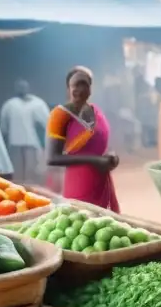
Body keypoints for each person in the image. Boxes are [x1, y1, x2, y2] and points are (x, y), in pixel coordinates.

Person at [45, 68, 120, 211]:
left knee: (104, 226)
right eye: (76, 84)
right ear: (68, 88)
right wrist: (94, 160)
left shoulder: (96, 112)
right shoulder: (60, 115)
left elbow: (101, 145)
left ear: (90, 89)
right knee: (80, 224)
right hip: (78, 184)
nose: (80, 89)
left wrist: (112, 156)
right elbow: (52, 158)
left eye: (84, 84)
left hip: (101, 183)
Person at [0, 79, 50, 184]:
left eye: (24, 86)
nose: (22, 88)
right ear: (15, 89)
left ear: (28, 88)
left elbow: (48, 122)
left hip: (31, 143)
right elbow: (3, 126)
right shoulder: (9, 104)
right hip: (15, 144)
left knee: (31, 174)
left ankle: (32, 195)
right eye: (19, 86)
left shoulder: (37, 103)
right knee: (17, 175)